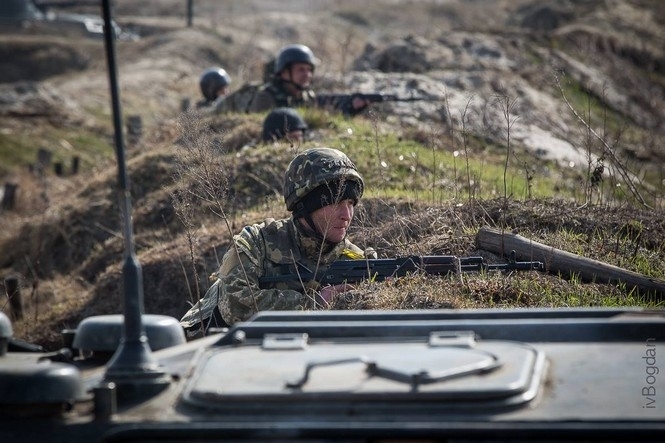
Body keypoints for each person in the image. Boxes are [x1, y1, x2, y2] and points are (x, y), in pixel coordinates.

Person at [179, 147, 375, 336]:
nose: (346, 215)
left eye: (351, 204)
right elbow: (235, 303)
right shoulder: (257, 242)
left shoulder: (355, 261)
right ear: (305, 206)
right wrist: (315, 304)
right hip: (211, 351)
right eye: (336, 203)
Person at [248, 44, 371, 116]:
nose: (307, 74)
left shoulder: (307, 97)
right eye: (301, 70)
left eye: (309, 70)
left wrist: (351, 108)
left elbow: (322, 120)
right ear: (284, 72)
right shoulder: (266, 97)